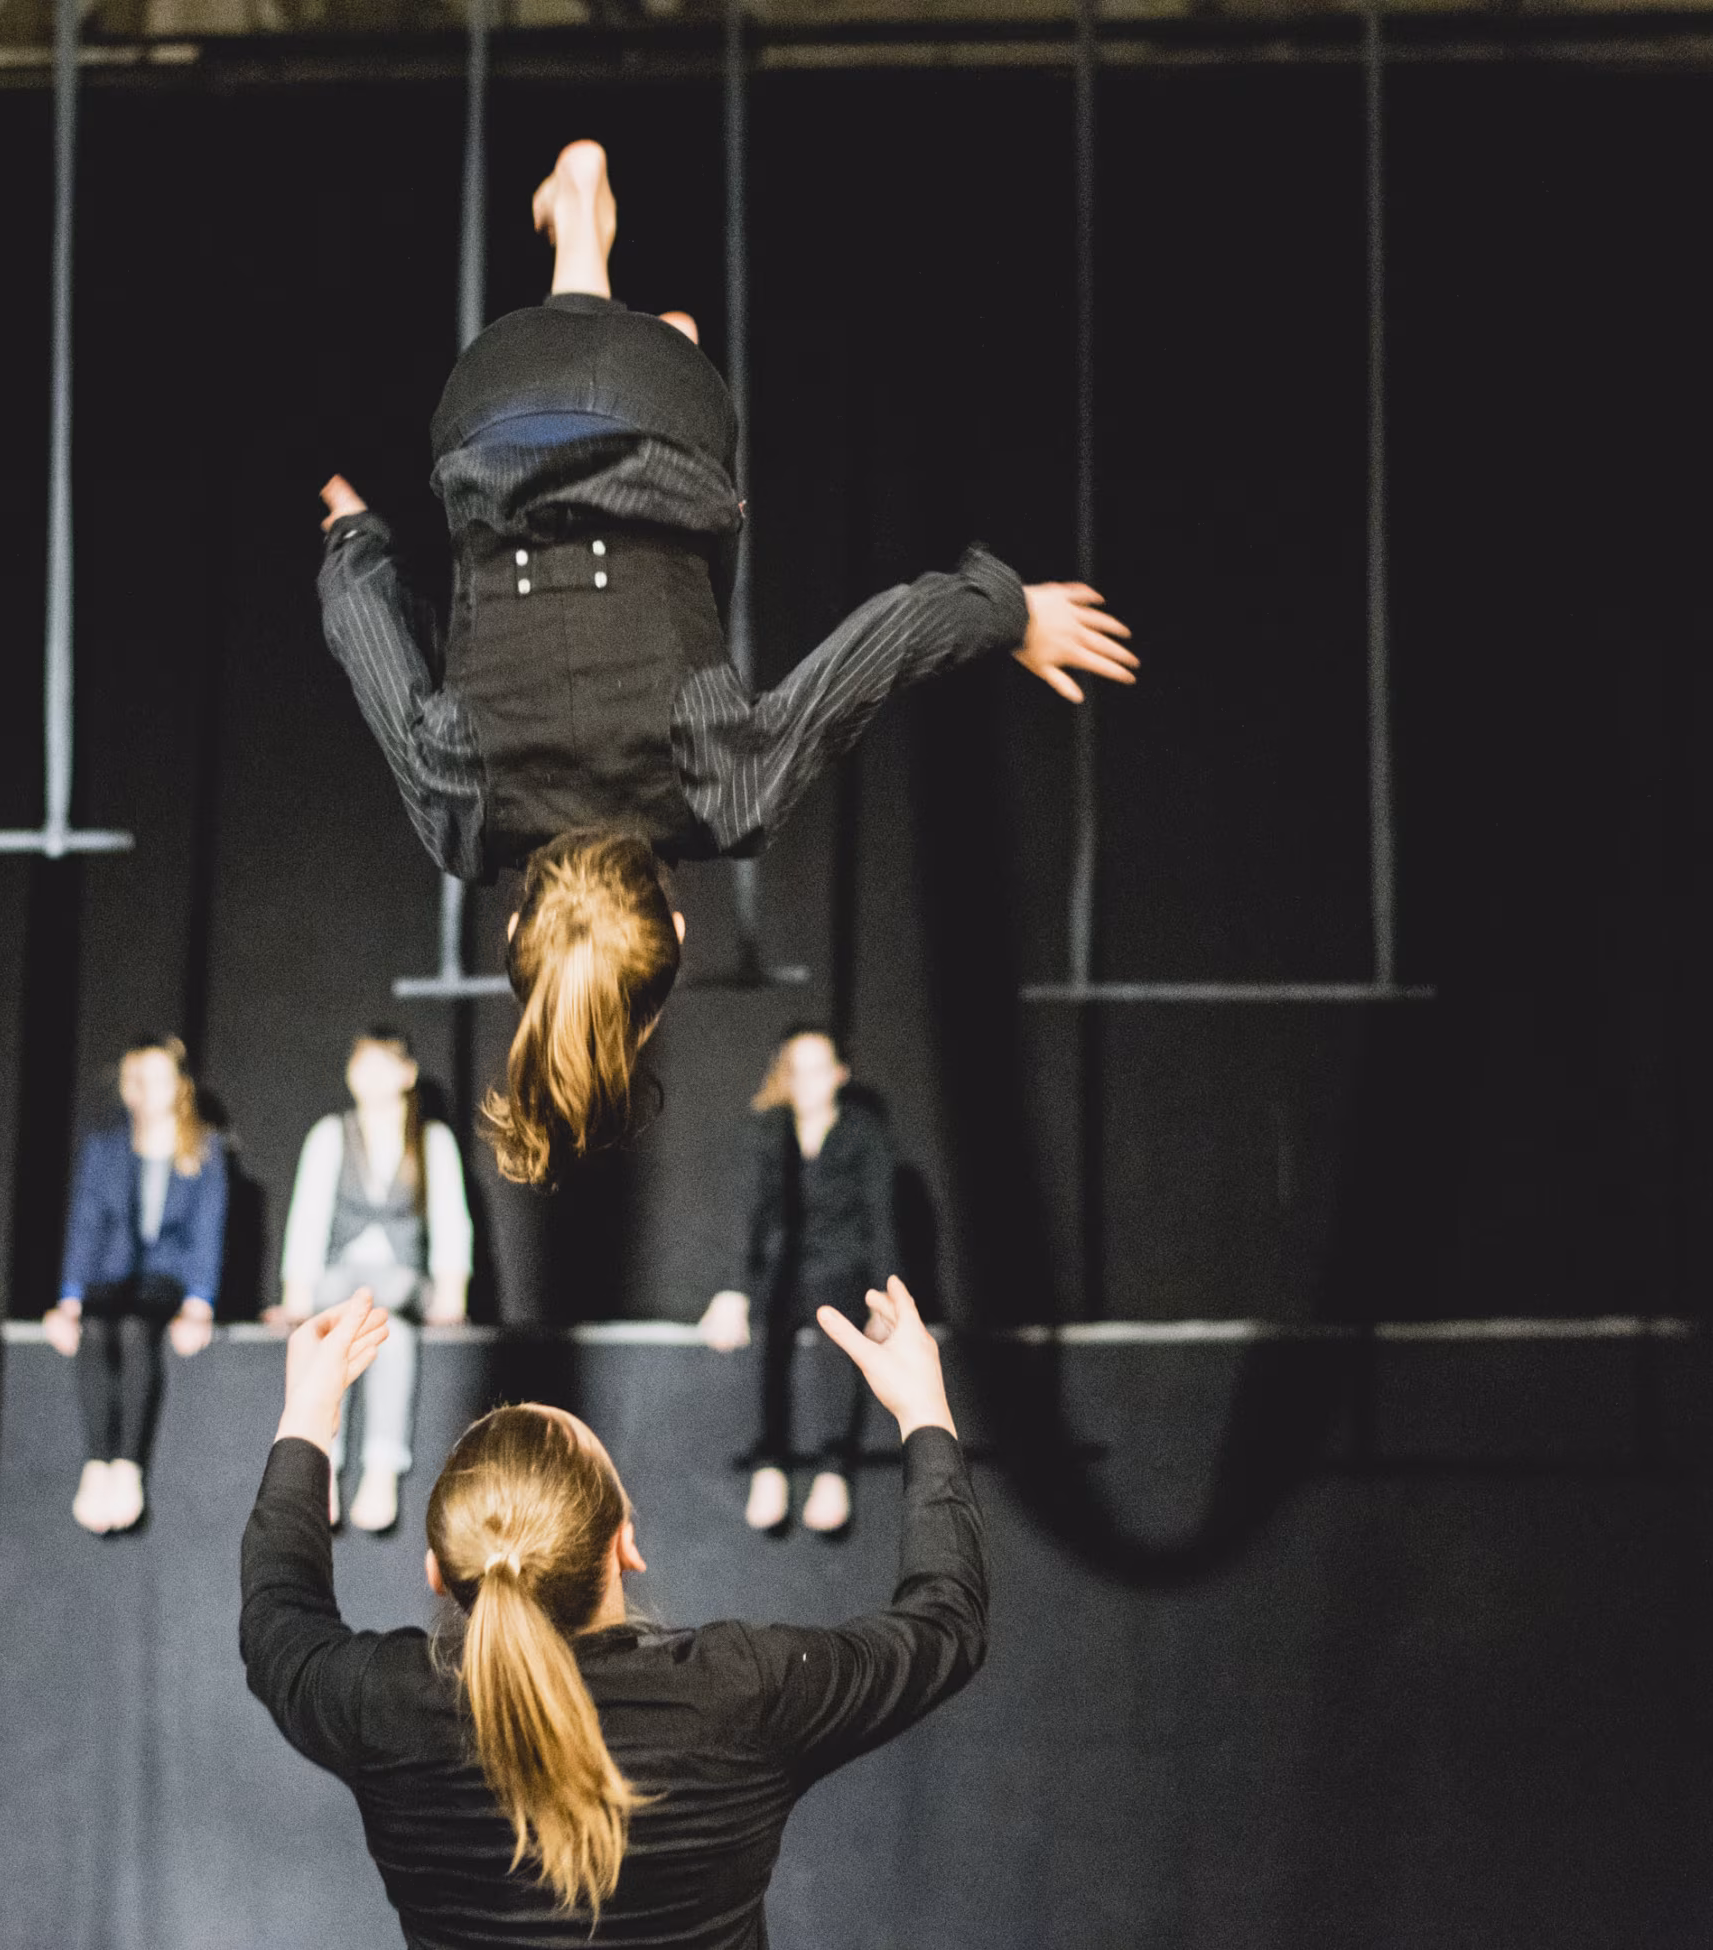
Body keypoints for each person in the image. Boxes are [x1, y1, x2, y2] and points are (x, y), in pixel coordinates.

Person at [316, 138, 1137, 1186]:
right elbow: (360, 627)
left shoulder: (726, 797)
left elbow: (879, 644)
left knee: (687, 524)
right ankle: (585, 262)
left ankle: (631, 313)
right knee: (580, 504)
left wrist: (1010, 614)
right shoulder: (456, 817)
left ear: (676, 925)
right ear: (519, 922)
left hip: (670, 425)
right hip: (494, 399)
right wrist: (354, 539)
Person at [240, 1274, 984, 1947]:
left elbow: (278, 1612)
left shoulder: (381, 1708)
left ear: (438, 1571)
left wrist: (309, 1416)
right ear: (624, 1542)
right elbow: (945, 1620)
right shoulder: (742, 1693)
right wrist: (923, 1410)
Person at [270, 1028, 473, 1534]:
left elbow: (452, 1219)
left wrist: (452, 1293)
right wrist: (295, 1296)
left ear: (406, 1074)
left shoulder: (431, 1139)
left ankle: (381, 1470)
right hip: (341, 1284)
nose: (370, 1075)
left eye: (383, 1065)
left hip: (401, 1284)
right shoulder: (331, 1134)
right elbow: (308, 1216)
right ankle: (325, 1467)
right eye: (362, 1064)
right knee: (367, 1333)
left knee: (392, 1324)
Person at [698, 1027, 896, 1535]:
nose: (806, 1081)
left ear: (839, 1075)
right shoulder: (768, 1131)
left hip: (838, 1264)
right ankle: (769, 1463)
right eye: (796, 1068)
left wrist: (886, 1296)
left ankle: (834, 1467)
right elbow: (745, 1213)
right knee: (761, 1334)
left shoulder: (863, 1132)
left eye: (817, 1068)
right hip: (779, 1265)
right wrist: (731, 1290)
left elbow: (881, 1219)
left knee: (837, 1331)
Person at [42, 1033, 230, 1535]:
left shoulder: (204, 1148)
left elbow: (207, 1233)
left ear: (179, 1087)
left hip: (163, 1279)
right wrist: (69, 1299)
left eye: (155, 1079)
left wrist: (199, 1303)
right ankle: (96, 1463)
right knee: (97, 1329)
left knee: (132, 1330)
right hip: (112, 1277)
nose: (144, 1090)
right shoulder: (104, 1149)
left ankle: (127, 1465)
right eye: (135, 1080)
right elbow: (85, 1226)